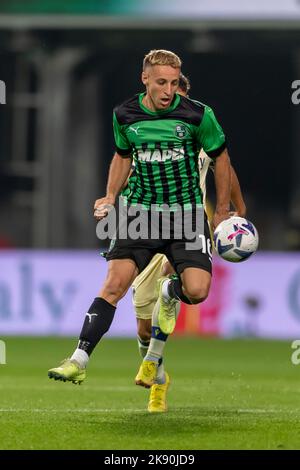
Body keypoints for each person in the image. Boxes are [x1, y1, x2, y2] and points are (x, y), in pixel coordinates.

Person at [48, 50, 232, 405]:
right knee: (114, 285)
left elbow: (221, 157)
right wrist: (109, 196)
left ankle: (170, 294)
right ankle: (79, 358)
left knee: (197, 291)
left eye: (174, 83)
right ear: (145, 79)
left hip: (185, 217)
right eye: (161, 82)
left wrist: (223, 210)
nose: (168, 91)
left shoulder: (197, 115)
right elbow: (122, 156)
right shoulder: (125, 114)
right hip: (140, 215)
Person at [131, 73, 246, 412]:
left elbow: (225, 167)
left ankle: (171, 290)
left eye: (176, 94)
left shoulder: (199, 129)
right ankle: (160, 377)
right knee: (141, 324)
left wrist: (236, 209)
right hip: (147, 225)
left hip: (188, 224)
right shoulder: (143, 132)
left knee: (188, 284)